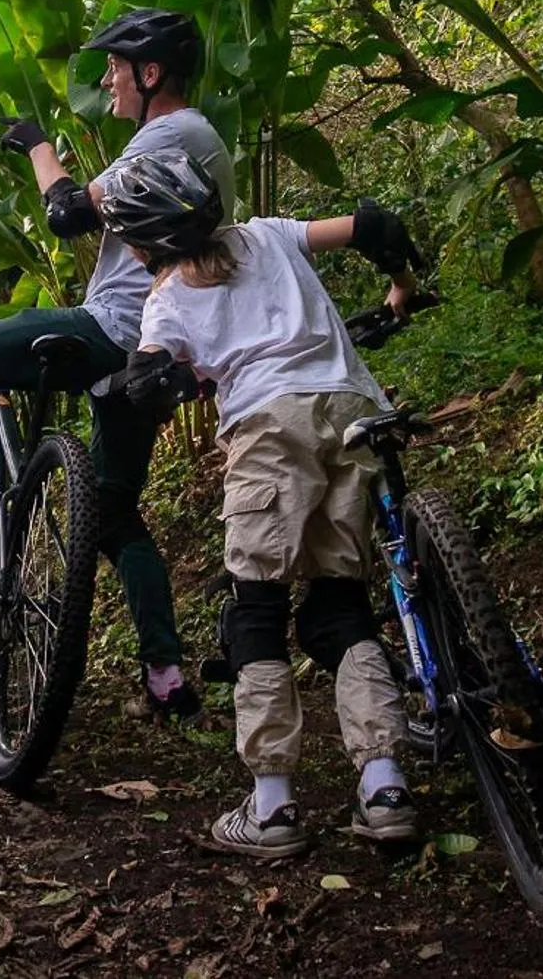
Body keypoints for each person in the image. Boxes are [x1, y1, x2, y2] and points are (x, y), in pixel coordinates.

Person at [0, 8, 236, 719]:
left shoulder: (169, 134)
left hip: (112, 328)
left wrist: (37, 144)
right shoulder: (203, 142)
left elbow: (67, 212)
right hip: (155, 348)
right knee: (115, 514)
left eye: (116, 68)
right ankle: (165, 674)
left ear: (149, 73)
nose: (107, 79)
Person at [100, 149, 425, 856]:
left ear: (140, 242)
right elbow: (374, 223)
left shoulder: (165, 299)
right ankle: (384, 784)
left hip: (268, 431)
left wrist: (157, 381)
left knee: (257, 608)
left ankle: (273, 806)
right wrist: (399, 288)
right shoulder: (270, 232)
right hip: (351, 411)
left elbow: (151, 376)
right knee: (340, 605)